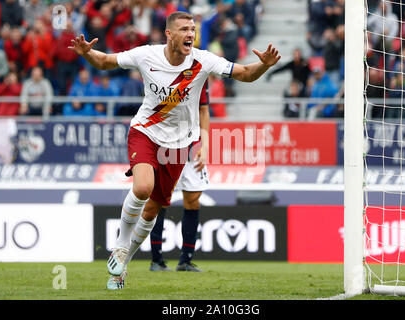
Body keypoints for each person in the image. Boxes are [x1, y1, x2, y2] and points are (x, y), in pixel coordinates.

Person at [68, 11, 280, 290]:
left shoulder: (203, 60)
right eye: (183, 29)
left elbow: (244, 73)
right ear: (169, 34)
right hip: (145, 132)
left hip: (179, 145)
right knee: (143, 188)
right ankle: (120, 246)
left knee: (153, 208)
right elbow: (106, 62)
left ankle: (121, 269)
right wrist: (87, 53)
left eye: (192, 29)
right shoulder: (147, 55)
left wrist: (263, 66)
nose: (190, 34)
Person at [149, 81, 210, 273]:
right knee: (162, 201)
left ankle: (185, 261)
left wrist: (206, 146)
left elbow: (203, 110)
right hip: (167, 146)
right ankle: (156, 260)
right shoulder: (161, 68)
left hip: (193, 147)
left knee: (193, 200)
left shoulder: (201, 72)